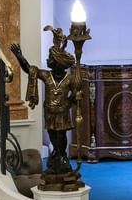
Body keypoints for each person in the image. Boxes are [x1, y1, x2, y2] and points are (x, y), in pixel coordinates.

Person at [11, 25, 88, 191]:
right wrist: (20, 57)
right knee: (53, 134)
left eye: (52, 59)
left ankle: (62, 156)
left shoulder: (69, 79)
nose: (49, 61)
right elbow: (30, 70)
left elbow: (76, 94)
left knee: (61, 136)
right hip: (50, 113)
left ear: (59, 63)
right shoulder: (46, 76)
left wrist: (76, 97)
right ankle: (56, 156)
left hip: (62, 113)